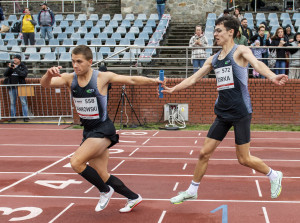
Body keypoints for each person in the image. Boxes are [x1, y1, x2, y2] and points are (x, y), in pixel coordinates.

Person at [162, 16, 288, 204]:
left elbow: (257, 64)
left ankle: (273, 174)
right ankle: (192, 190)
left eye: (219, 30)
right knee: (204, 153)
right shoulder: (213, 59)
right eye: (215, 31)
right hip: (222, 112)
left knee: (244, 159)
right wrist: (173, 88)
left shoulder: (240, 51)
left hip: (240, 111)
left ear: (231, 32)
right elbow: (193, 78)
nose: (215, 34)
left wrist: (272, 76)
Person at [40, 45, 162, 212]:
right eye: (73, 61)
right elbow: (45, 85)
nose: (75, 65)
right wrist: (48, 74)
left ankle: (104, 190)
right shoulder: (70, 78)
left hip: (103, 129)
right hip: (88, 131)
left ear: (90, 62)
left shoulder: (102, 77)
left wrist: (154, 81)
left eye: (79, 62)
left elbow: (131, 80)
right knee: (103, 175)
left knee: (76, 162)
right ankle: (133, 197)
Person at [4, 54, 29, 122]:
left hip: (21, 86)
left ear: (19, 59)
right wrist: (9, 68)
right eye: (13, 58)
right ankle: (13, 117)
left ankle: (25, 117)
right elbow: (5, 74)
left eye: (16, 58)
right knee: (12, 102)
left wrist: (16, 68)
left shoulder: (23, 66)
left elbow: (24, 74)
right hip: (12, 87)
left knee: (23, 102)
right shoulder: (11, 66)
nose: (14, 59)